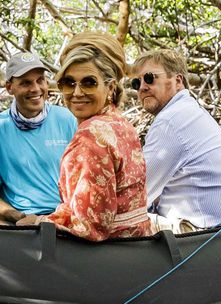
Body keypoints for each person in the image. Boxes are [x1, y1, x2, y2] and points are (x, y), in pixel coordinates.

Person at [23, 32, 152, 240]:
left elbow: (90, 228)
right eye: (69, 83)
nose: (77, 93)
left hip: (111, 251)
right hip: (138, 239)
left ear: (110, 87)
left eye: (89, 83)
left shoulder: (90, 136)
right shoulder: (121, 123)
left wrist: (38, 222)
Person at [132, 48, 221, 230]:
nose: (142, 87)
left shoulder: (171, 121)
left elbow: (137, 193)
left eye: (150, 78)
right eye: (136, 82)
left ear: (178, 81)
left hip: (211, 234)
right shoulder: (188, 110)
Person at [0, 51, 78, 224]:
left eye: (40, 80)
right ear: (9, 88)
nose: (35, 89)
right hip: (20, 220)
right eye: (25, 83)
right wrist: (21, 218)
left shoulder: (68, 119)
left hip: (64, 216)